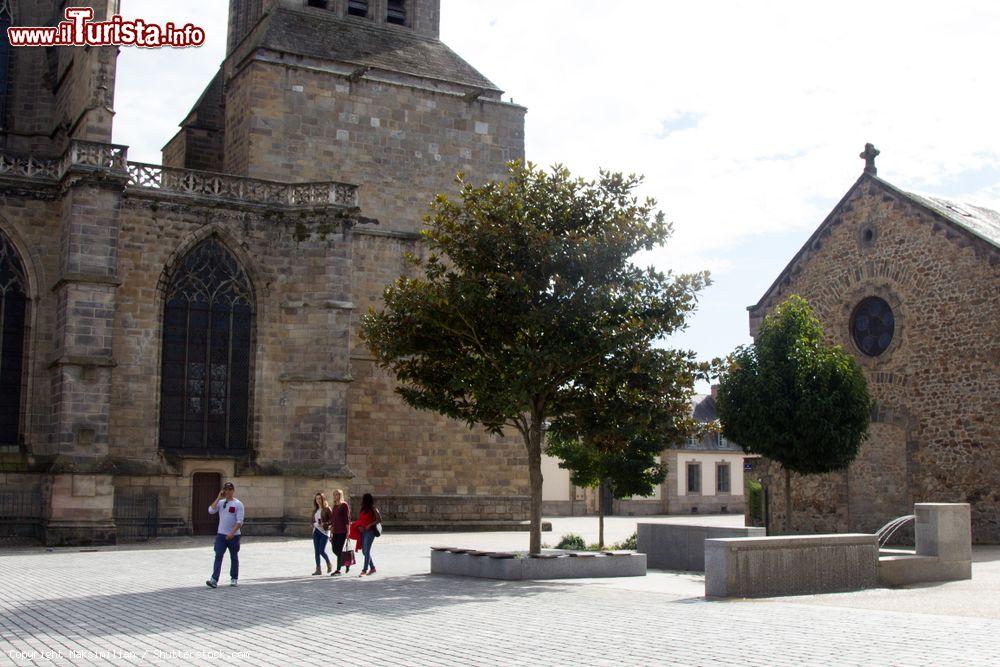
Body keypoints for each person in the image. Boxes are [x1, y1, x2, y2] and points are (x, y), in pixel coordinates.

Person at [206, 481, 244, 588]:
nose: (228, 492)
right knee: (218, 555)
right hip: (221, 535)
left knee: (233, 557)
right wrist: (218, 498)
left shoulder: (238, 504)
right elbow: (210, 510)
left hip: (234, 536)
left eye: (230, 490)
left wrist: (232, 533)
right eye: (226, 490)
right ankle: (214, 579)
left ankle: (234, 578)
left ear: (233, 491)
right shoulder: (221, 503)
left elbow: (240, 521)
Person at [353, 492, 382, 576]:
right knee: (364, 552)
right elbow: (361, 520)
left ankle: (364, 570)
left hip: (370, 532)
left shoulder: (373, 509)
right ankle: (372, 568)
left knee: (367, 550)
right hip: (363, 531)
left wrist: (370, 524)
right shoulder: (362, 509)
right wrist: (359, 527)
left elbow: (379, 519)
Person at [329, 489, 351, 575]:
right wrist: (331, 529)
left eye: (337, 495)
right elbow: (333, 519)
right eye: (334, 495)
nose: (335, 496)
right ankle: (346, 562)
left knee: (339, 550)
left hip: (342, 531)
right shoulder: (334, 506)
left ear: (340, 495)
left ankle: (338, 570)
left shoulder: (344, 505)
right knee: (335, 549)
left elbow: (347, 519)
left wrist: (348, 532)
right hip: (335, 531)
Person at [312, 492, 334, 575]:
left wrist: (324, 524)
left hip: (324, 532)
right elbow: (312, 521)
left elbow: (332, 521)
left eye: (319, 498)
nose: (318, 500)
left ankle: (329, 563)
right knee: (316, 551)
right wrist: (314, 524)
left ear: (323, 499)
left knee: (321, 550)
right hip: (316, 531)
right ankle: (318, 569)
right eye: (317, 499)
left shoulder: (327, 509)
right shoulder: (315, 510)